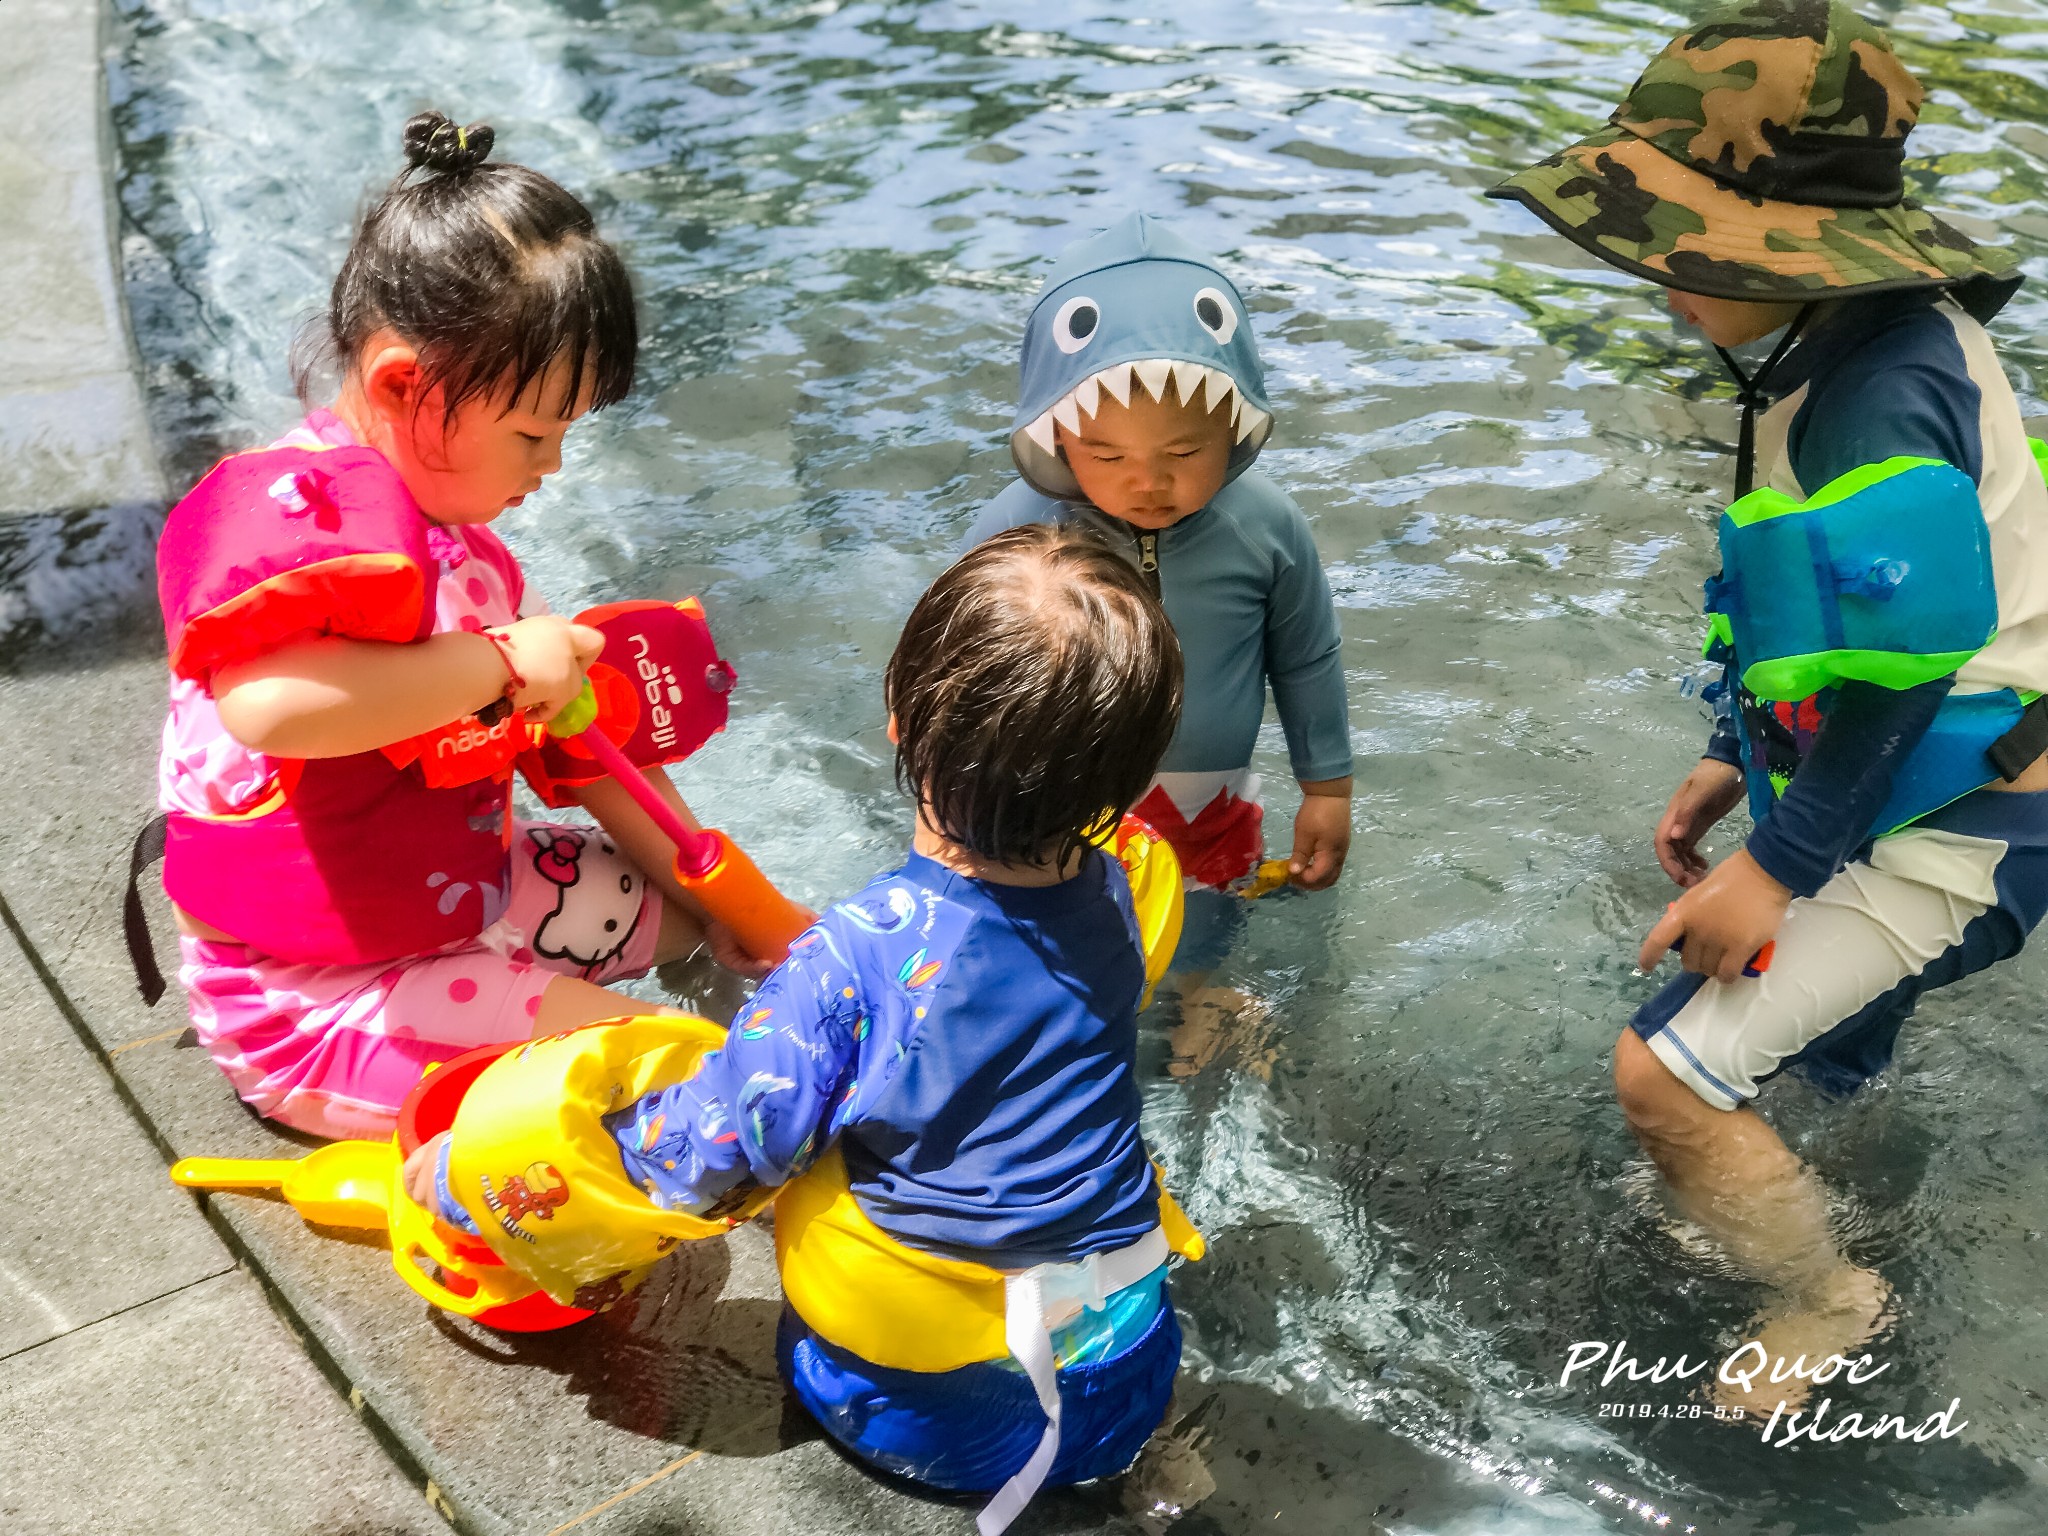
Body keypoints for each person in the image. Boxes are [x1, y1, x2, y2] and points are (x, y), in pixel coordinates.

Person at [405, 525, 1204, 1532]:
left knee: (807, 1161)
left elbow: (711, 1150)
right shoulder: (1122, 893)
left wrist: (481, 1184)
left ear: (896, 719)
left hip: (946, 1421)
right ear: (1124, 786)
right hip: (1129, 1373)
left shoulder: (860, 958)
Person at [1491, 0, 2048, 1398]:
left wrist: (1778, 865)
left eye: (1681, 245)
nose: (1657, 275)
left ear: (1793, 249)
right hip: (1916, 775)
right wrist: (1730, 749)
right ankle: (1798, 1160)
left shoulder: (1882, 399)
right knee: (1790, 1040)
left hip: (1970, 814)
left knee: (1661, 1079)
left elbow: (1910, 674)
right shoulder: (1847, 343)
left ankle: (1826, 1293)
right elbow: (1833, 621)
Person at [150, 112, 776, 1141]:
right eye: (535, 431)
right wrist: (492, 659)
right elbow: (264, 706)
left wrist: (741, 913)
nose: (553, 466)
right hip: (311, 998)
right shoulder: (314, 536)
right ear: (406, 383)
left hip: (453, 890)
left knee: (682, 928)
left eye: (567, 431)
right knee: (673, 1075)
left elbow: (581, 750)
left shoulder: (460, 552)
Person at [963, 213, 1353, 1064]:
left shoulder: (1266, 527)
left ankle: (1201, 990)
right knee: (1058, 924)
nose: (1148, 483)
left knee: (1207, 911)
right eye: (1106, 455)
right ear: (1057, 432)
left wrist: (1328, 787)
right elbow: (958, 669)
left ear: (1237, 429)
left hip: (1208, 794)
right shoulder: (1019, 528)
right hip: (1059, 792)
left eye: (1184, 451)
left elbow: (1307, 657)